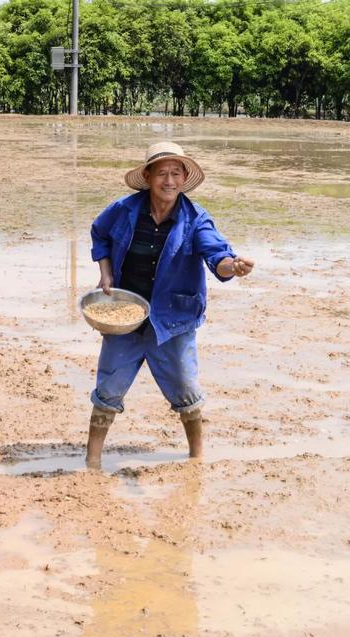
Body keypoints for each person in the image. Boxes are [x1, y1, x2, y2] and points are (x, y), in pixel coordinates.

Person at [86, 141, 254, 469]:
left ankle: (197, 458)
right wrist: (105, 272)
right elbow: (99, 233)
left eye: (176, 173)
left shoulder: (195, 219)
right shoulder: (124, 209)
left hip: (173, 320)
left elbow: (215, 255)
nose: (169, 180)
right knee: (107, 388)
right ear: (148, 177)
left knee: (186, 392)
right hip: (126, 315)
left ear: (185, 178)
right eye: (162, 173)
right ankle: (92, 462)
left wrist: (232, 266)